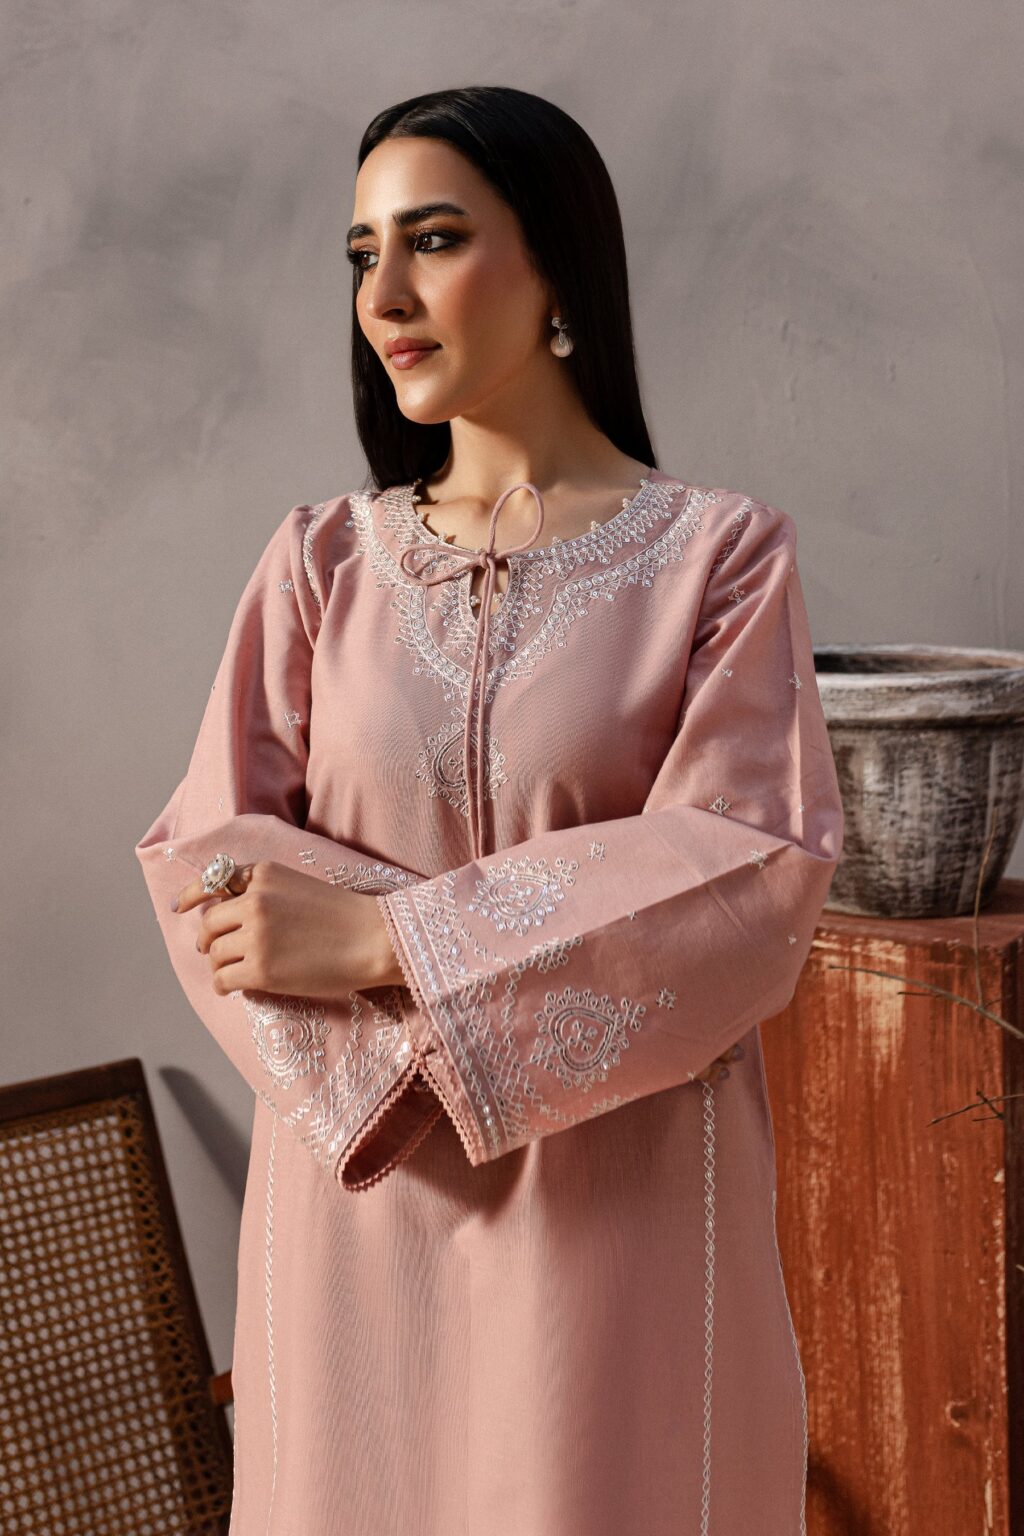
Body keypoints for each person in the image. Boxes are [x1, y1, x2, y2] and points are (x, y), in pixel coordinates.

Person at [135, 84, 843, 1536]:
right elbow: (208, 857)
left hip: (616, 1223)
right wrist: (393, 1070)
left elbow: (748, 871)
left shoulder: (716, 561)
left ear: (558, 265)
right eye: (362, 253)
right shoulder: (320, 564)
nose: (383, 295)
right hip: (360, 1216)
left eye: (435, 239)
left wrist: (387, 944)